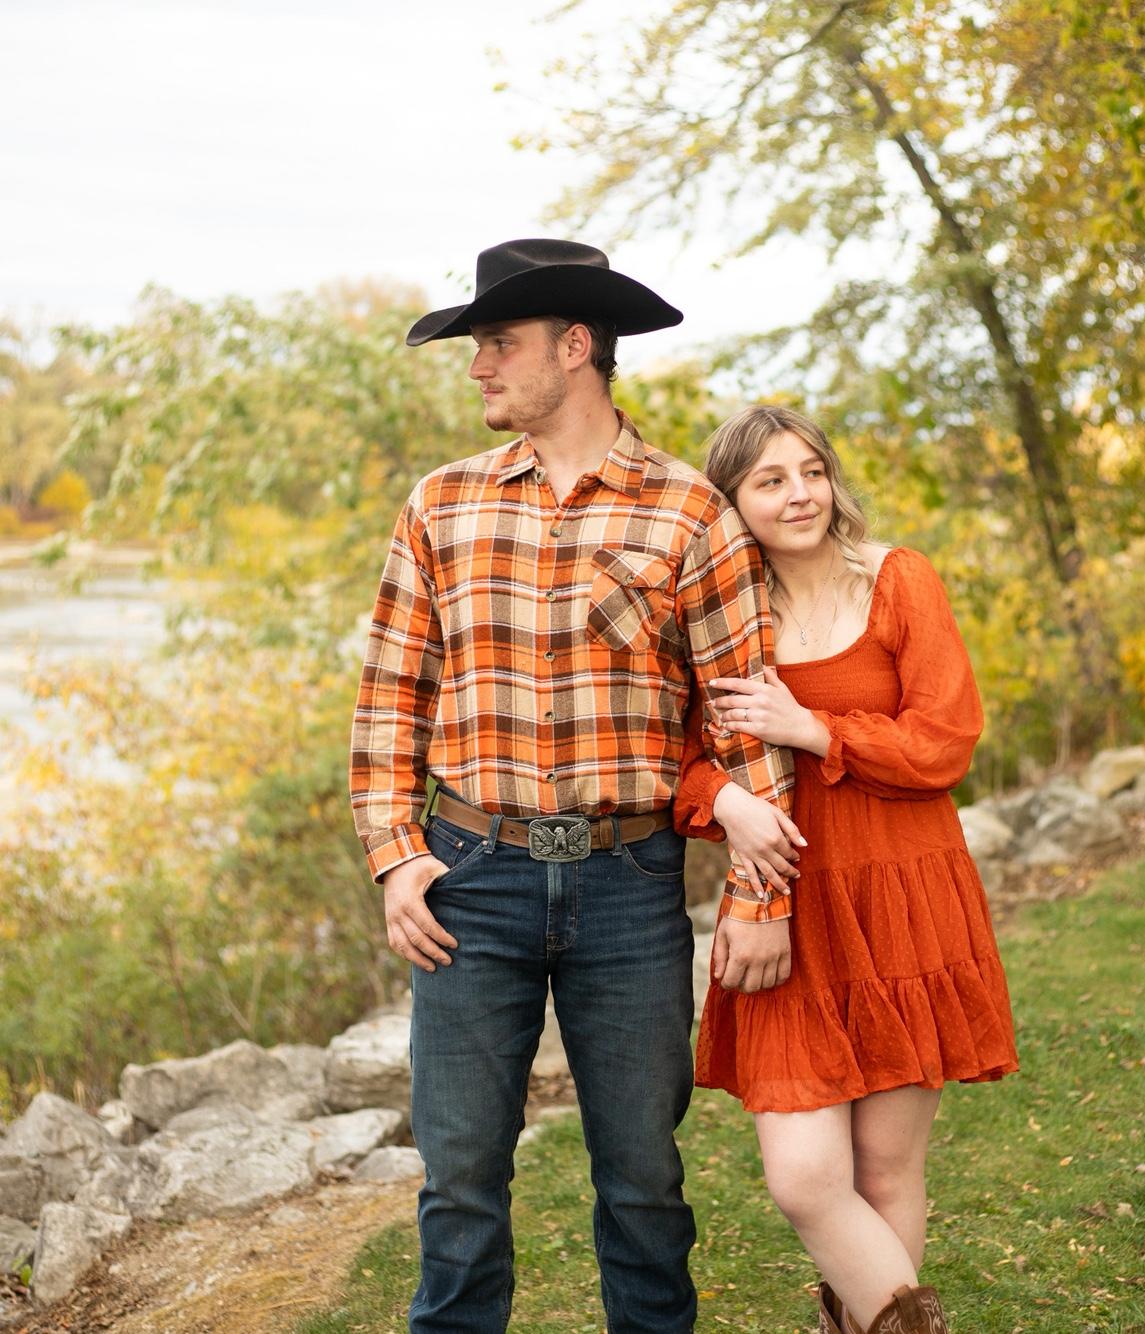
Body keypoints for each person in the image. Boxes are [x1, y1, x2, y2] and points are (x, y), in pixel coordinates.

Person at [348, 239, 799, 1333]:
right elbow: (390, 698)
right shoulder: (440, 504)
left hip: (629, 887)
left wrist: (760, 897)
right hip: (469, 880)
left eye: (497, 343)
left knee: (643, 1181)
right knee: (459, 1177)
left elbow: (744, 716)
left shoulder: (691, 512)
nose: (477, 367)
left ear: (574, 346)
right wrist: (396, 857)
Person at [675, 405, 1019, 1334]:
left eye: (812, 471)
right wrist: (728, 803)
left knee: (886, 1171)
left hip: (906, 897)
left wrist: (814, 729)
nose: (801, 495)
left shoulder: (897, 580)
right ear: (731, 503)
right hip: (787, 909)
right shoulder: (717, 617)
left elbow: (945, 742)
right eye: (771, 480)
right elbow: (671, 762)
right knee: (805, 1179)